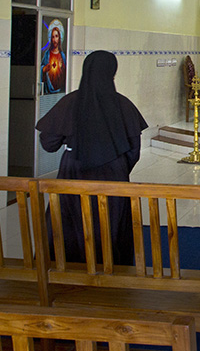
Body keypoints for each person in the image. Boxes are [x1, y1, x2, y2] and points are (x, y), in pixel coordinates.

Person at [35, 50, 147, 265]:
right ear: (112, 73)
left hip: (73, 172)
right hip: (113, 176)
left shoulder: (70, 102)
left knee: (68, 223)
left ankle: (65, 268)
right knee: (109, 224)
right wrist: (118, 167)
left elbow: (48, 143)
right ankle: (111, 269)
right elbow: (134, 151)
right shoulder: (123, 104)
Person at [41, 21, 66, 94]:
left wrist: (62, 68)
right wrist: (43, 69)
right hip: (48, 90)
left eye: (56, 36)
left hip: (59, 90)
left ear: (59, 38)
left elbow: (65, 74)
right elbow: (41, 68)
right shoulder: (47, 54)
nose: (55, 40)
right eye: (53, 37)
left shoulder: (62, 55)